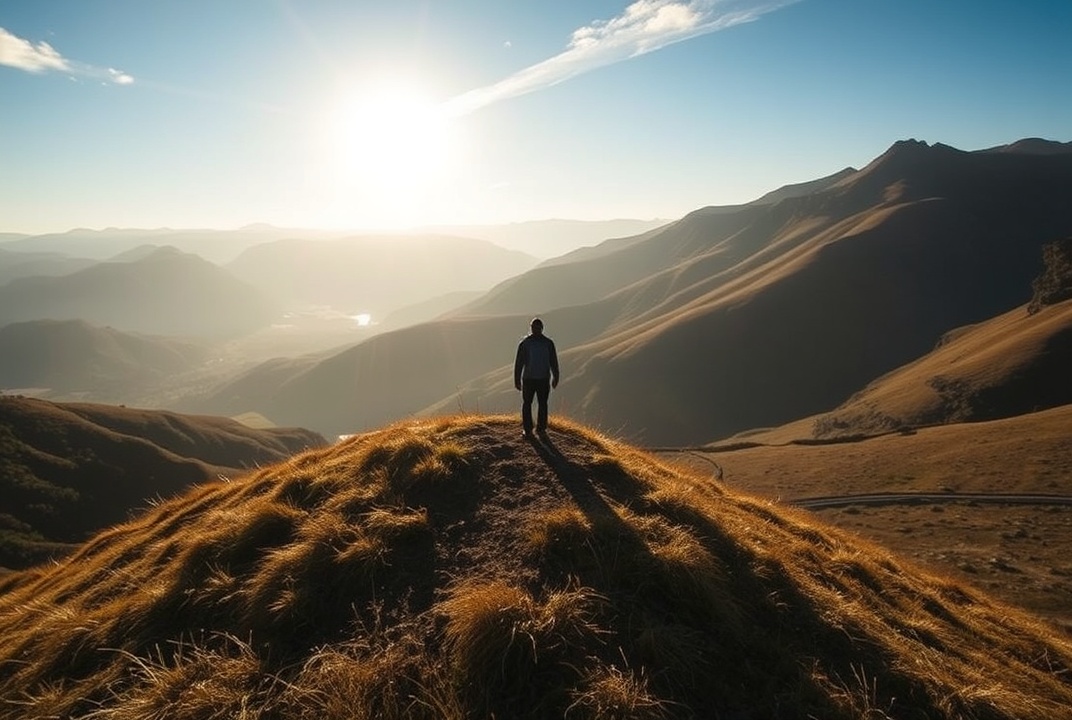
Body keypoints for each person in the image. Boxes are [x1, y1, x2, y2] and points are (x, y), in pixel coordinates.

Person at [514, 317, 560, 438]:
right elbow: (519, 363)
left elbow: (553, 362)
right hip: (531, 379)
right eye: (534, 327)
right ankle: (529, 429)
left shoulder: (547, 344)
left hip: (541, 379)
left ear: (541, 328)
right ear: (531, 328)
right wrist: (517, 379)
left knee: (541, 404)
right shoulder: (527, 344)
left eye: (538, 327)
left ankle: (540, 429)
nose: (536, 329)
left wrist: (556, 376)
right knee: (529, 404)